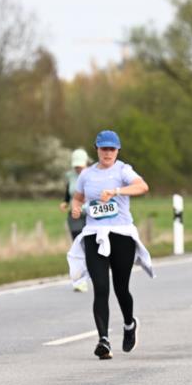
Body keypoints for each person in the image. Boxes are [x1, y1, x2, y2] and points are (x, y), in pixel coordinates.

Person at [66, 130, 152, 360]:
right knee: (101, 287)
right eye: (104, 148)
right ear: (97, 149)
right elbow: (78, 197)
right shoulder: (87, 174)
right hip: (95, 234)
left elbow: (142, 186)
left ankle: (129, 324)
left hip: (121, 234)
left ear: (117, 151)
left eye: (112, 149)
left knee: (121, 288)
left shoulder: (123, 170)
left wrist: (116, 191)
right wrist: (75, 207)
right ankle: (103, 340)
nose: (107, 153)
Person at [60, 148, 91, 292]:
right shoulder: (71, 176)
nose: (78, 168)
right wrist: (65, 202)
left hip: (90, 214)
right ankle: (80, 280)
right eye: (76, 166)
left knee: (90, 246)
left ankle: (90, 276)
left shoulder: (93, 174)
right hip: (75, 213)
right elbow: (69, 191)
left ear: (86, 163)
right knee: (78, 246)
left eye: (80, 165)